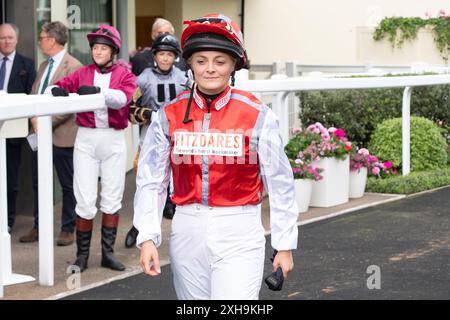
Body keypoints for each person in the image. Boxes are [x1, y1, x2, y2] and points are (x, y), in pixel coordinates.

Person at [134, 13, 299, 300]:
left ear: (234, 65)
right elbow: (152, 181)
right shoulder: (168, 116)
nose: (210, 69)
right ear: (190, 65)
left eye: (220, 61)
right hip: (186, 228)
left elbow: (280, 183)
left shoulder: (257, 114)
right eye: (201, 61)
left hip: (239, 229)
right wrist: (147, 236)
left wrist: (284, 243)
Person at [47, 25, 136, 271]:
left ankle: (107, 254)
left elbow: (122, 99)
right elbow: (55, 88)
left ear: (113, 51)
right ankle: (82, 256)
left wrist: (98, 92)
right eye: (95, 47)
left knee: (112, 198)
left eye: (103, 48)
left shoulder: (125, 74)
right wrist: (56, 91)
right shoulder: (82, 72)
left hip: (113, 139)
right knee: (85, 199)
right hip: (85, 139)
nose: (98, 52)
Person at [19, 21, 83, 246]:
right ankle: (39, 226)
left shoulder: (73, 66)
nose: (39, 41)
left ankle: (68, 228)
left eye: (42, 37)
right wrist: (33, 117)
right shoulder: (44, 65)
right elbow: (35, 94)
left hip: (62, 136)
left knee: (67, 184)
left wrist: (44, 121)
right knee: (39, 183)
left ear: (53, 40)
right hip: (39, 135)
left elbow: (68, 105)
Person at [124, 33, 188, 248]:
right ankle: (138, 226)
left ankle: (180, 230)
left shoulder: (183, 78)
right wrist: (150, 115)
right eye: (162, 54)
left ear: (175, 57)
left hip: (178, 139)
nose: (165, 59)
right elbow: (130, 112)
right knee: (147, 182)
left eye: (169, 55)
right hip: (149, 139)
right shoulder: (142, 79)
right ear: (155, 56)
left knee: (179, 181)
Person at [0, 23, 36, 233]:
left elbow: (30, 96)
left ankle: (8, 221)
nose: (6, 41)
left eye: (10, 38)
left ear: (16, 40)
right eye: (3, 37)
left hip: (13, 131)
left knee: (10, 180)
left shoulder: (27, 65)